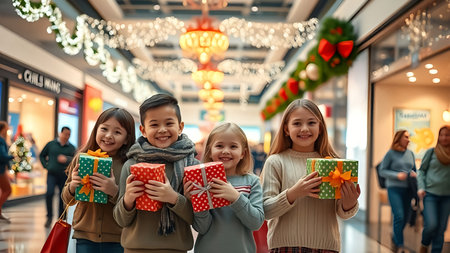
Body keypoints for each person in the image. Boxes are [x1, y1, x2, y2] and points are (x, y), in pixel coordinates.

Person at [261, 98, 360, 253]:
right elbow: (266, 211)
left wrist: (350, 203)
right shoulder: (276, 162)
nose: (305, 129)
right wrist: (294, 193)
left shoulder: (333, 164)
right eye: (297, 123)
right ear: (286, 129)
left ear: (320, 128)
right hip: (284, 247)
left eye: (311, 123)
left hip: (326, 247)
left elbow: (342, 212)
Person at [113, 94, 199, 252]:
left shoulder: (193, 167)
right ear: (143, 130)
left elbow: (198, 220)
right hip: (135, 249)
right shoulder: (132, 165)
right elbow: (120, 220)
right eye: (154, 125)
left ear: (180, 127)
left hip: (175, 249)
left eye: (169, 123)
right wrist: (128, 200)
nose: (162, 130)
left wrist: (173, 198)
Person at [61, 108, 136, 252]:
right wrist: (72, 186)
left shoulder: (129, 165)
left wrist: (114, 192)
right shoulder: (81, 158)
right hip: (84, 236)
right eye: (104, 129)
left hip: (118, 238)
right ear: (96, 130)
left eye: (117, 132)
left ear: (127, 138)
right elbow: (68, 200)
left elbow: (133, 207)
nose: (108, 136)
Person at [184, 122, 264, 253]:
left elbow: (255, 223)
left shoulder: (252, 181)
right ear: (210, 151)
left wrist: (236, 198)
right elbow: (202, 228)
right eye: (219, 145)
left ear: (243, 153)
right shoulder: (202, 183)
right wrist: (197, 201)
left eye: (233, 146)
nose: (226, 151)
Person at [379, 129, 417, 253]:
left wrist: (414, 174)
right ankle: (400, 245)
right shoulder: (391, 153)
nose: (408, 139)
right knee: (399, 216)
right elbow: (382, 171)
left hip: (408, 189)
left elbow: (415, 170)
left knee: (406, 217)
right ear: (399, 138)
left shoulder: (410, 153)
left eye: (409, 137)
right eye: (406, 137)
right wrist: (397, 175)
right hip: (394, 188)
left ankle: (395, 236)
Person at [418, 125, 450, 253]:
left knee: (441, 229)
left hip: (447, 196)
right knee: (431, 225)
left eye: (447, 135)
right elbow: (421, 171)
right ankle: (424, 244)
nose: (444, 138)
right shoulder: (431, 152)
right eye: (441, 135)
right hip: (430, 194)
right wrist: (421, 187)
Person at [40, 126, 76, 228]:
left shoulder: (71, 148)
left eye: (69, 135)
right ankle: (49, 217)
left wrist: (67, 159)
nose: (67, 136)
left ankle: (61, 218)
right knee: (49, 193)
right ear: (61, 133)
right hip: (52, 173)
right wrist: (45, 165)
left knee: (62, 197)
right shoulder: (51, 144)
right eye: (65, 134)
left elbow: (75, 160)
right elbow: (42, 155)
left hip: (64, 175)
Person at [0, 121, 13, 223]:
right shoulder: (1, 140)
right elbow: (2, 156)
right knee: (7, 190)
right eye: (6, 128)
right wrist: (13, 156)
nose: (7, 130)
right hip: (0, 170)